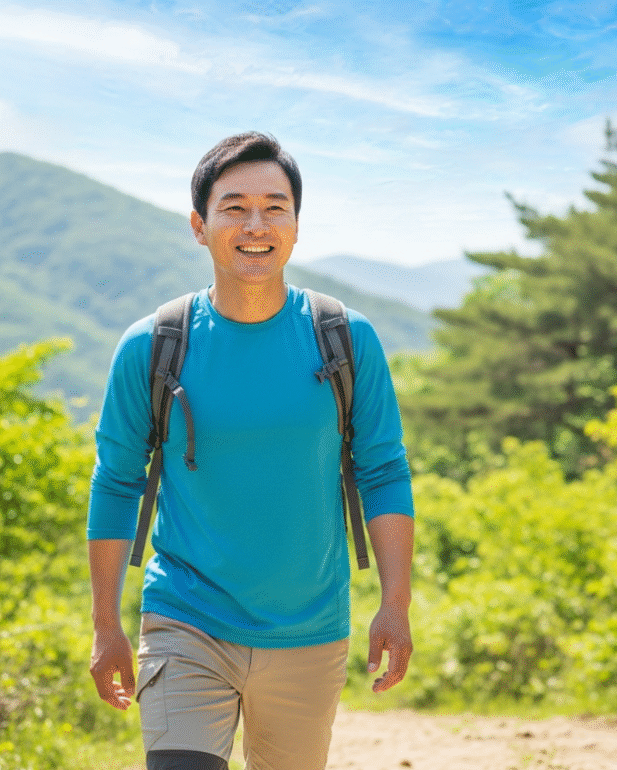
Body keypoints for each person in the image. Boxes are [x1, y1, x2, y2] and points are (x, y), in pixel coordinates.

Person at [87, 132, 415, 770]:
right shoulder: (152, 346)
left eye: (275, 207)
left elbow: (383, 472)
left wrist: (395, 607)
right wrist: (105, 626)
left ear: (296, 225)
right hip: (185, 617)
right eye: (233, 208)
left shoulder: (346, 339)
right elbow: (117, 482)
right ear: (199, 226)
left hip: (308, 630)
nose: (256, 226)